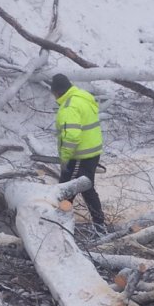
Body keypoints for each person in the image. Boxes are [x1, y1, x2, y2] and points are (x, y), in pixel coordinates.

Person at [50, 73, 106, 233]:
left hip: (79, 155)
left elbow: (72, 136)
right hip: (92, 152)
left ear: (59, 91)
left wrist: (65, 158)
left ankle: (58, 225)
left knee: (66, 190)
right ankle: (99, 225)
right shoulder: (82, 97)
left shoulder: (69, 106)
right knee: (85, 189)